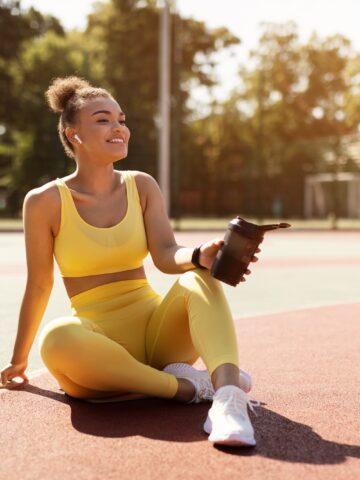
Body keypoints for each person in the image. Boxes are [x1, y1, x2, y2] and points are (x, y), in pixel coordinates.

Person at [0, 76, 260, 447]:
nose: (119, 127)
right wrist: (19, 359)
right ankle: (188, 388)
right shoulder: (44, 201)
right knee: (57, 338)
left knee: (199, 278)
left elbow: (167, 255)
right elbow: (40, 284)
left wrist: (198, 256)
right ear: (74, 135)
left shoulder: (142, 185)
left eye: (121, 119)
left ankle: (228, 399)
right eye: (103, 119)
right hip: (101, 352)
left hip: (159, 339)